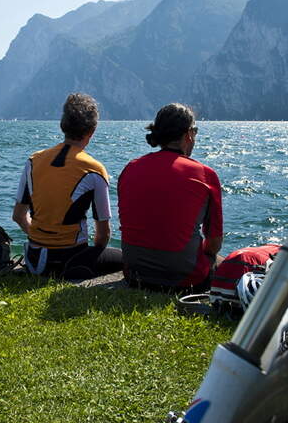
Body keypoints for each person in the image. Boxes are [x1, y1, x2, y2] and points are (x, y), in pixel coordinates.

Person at [12, 93, 123, 280]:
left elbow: (18, 216)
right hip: (71, 261)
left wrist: (42, 239)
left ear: (63, 126)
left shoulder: (33, 161)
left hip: (35, 260)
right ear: (92, 131)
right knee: (125, 258)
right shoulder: (94, 169)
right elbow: (103, 235)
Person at [118, 103, 223, 293]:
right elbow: (214, 243)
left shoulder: (130, 168)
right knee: (225, 262)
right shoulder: (206, 175)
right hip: (185, 279)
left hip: (134, 274)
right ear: (189, 134)